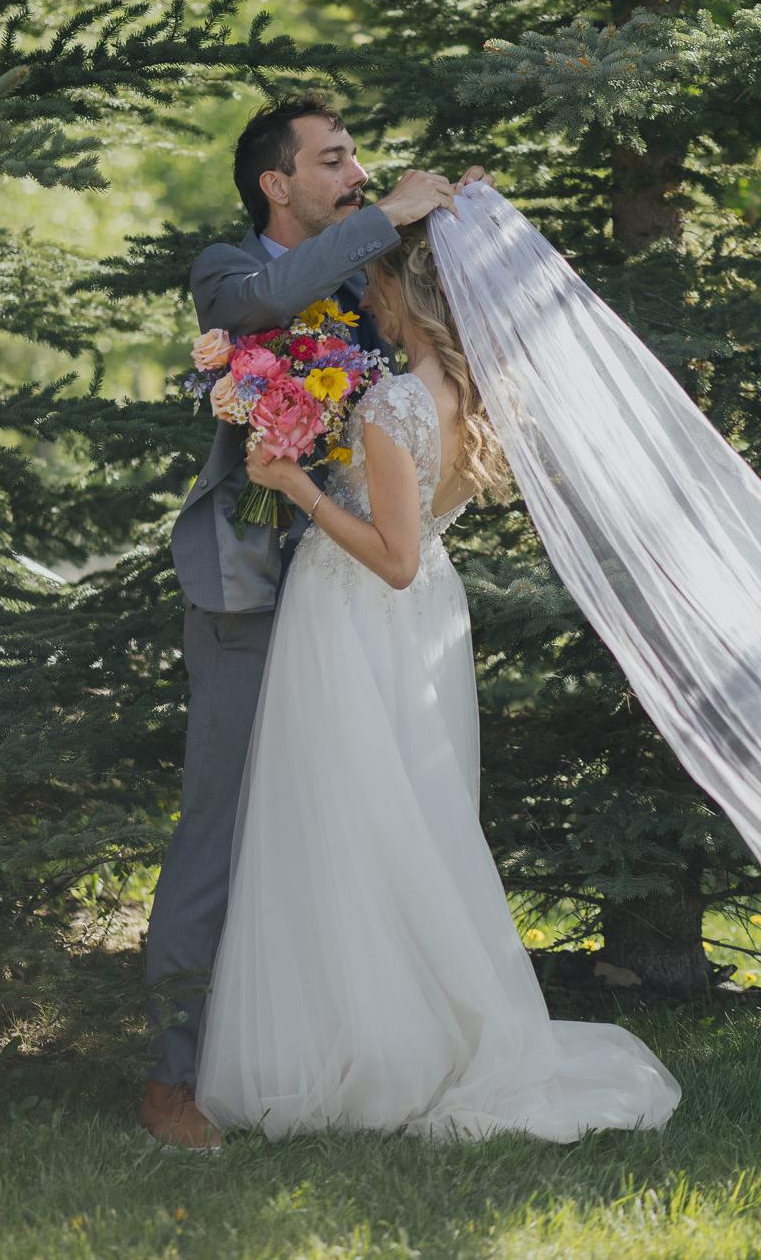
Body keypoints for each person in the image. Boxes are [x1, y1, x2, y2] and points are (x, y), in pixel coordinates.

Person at [188, 214, 683, 1144]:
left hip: (357, 620)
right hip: (420, 627)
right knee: (405, 818)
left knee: (353, 820)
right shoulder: (467, 390)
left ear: (409, 298)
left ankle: (376, 1042)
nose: (366, 303)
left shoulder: (391, 407)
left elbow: (395, 557)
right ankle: (394, 1017)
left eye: (376, 289)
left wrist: (296, 488)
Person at [139, 90, 488, 1151]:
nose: (356, 175)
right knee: (220, 827)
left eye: (358, 160)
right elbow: (267, 304)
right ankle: (170, 1076)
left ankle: (337, 1048)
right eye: (333, 160)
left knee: (348, 826)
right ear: (273, 184)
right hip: (248, 595)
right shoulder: (230, 270)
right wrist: (381, 220)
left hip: (353, 602)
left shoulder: (366, 275)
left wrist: (461, 224)